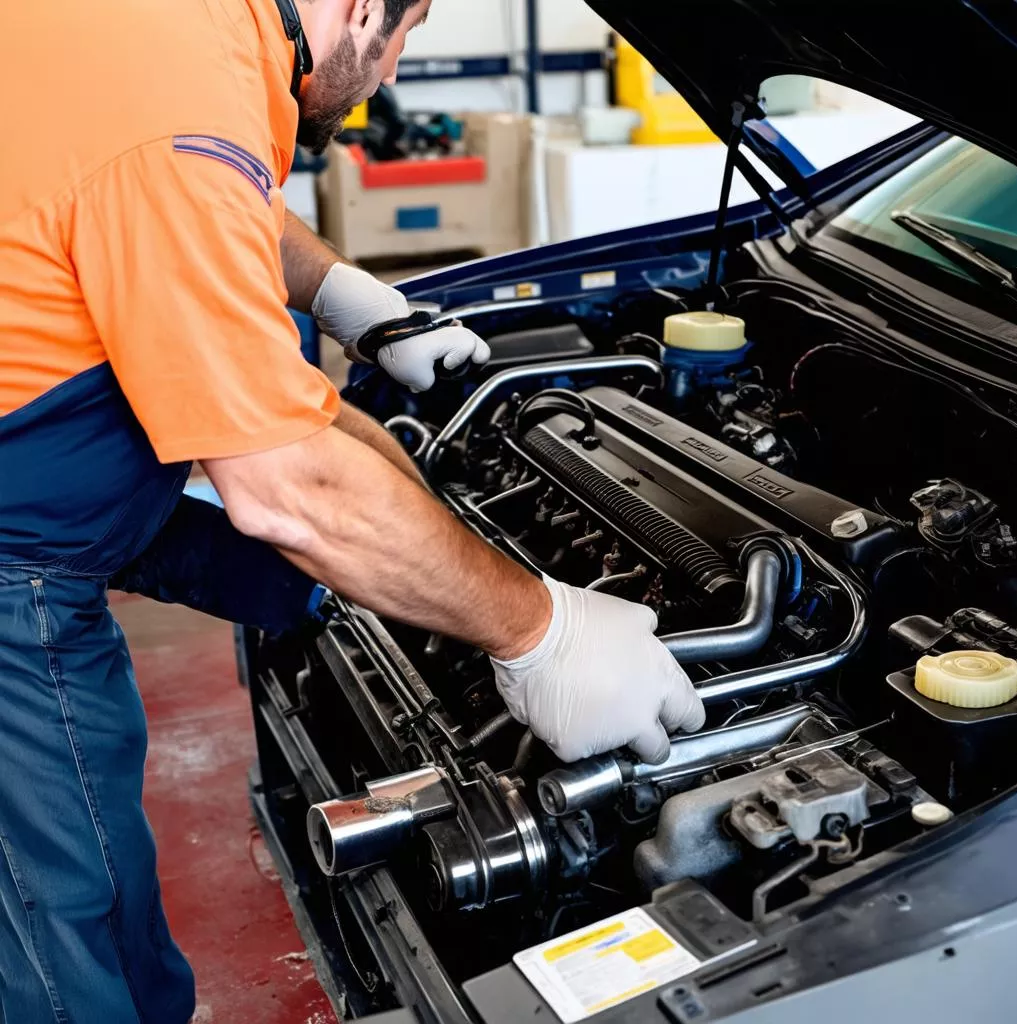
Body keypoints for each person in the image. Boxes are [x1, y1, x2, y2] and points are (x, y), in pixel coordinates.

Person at [0, 0, 706, 1019]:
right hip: (19, 545)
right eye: (400, 33)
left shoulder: (175, 31)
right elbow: (291, 484)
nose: (384, 75)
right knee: (59, 920)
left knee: (96, 876)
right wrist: (536, 628)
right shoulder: (182, 104)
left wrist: (342, 294)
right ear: (362, 5)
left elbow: (204, 195)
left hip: (44, 466)